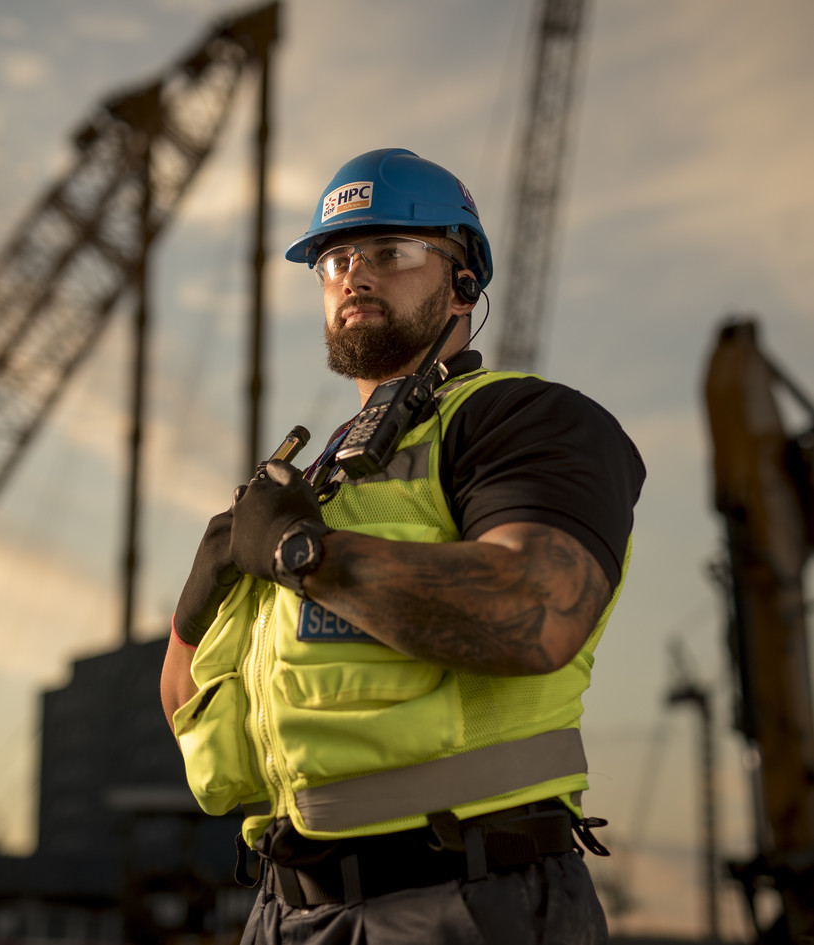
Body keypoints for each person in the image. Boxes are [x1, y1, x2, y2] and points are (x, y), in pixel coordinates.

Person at [161, 148, 646, 944]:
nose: (355, 275)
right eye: (336, 258)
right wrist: (196, 604)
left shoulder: (522, 421)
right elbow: (196, 719)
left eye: (391, 253)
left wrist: (297, 554)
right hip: (283, 910)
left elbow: (533, 610)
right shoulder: (314, 483)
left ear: (464, 282)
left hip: (466, 896)